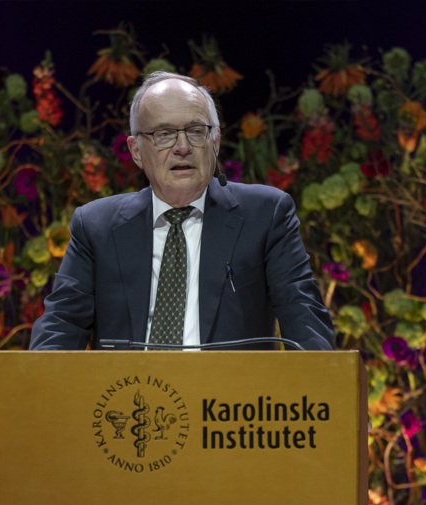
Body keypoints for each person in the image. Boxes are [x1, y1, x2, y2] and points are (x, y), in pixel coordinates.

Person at [29, 71, 334, 351]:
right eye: (164, 134)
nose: (183, 147)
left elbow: (303, 318)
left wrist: (322, 394)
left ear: (215, 141)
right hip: (129, 400)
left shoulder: (265, 215)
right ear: (136, 151)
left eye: (196, 131)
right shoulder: (96, 227)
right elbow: (60, 327)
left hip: (229, 404)